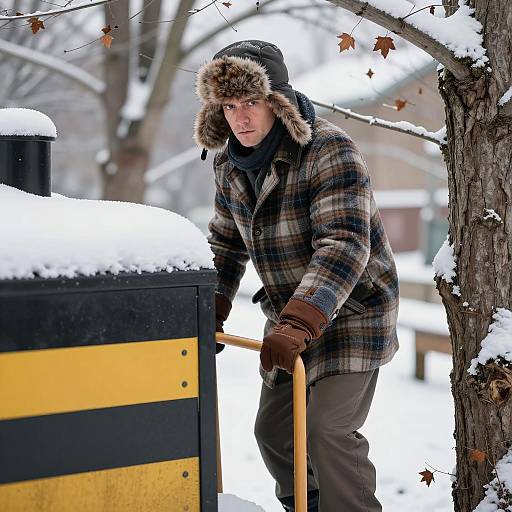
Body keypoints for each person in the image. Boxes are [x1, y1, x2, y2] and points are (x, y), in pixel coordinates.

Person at [194, 40, 399, 512]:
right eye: (228, 106)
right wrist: (210, 307)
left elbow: (343, 244)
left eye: (251, 103)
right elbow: (225, 244)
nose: (241, 118)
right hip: (288, 314)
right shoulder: (227, 164)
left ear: (277, 103)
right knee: (273, 433)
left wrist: (301, 322)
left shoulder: (329, 150)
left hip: (351, 312)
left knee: (328, 430)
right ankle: (308, 505)